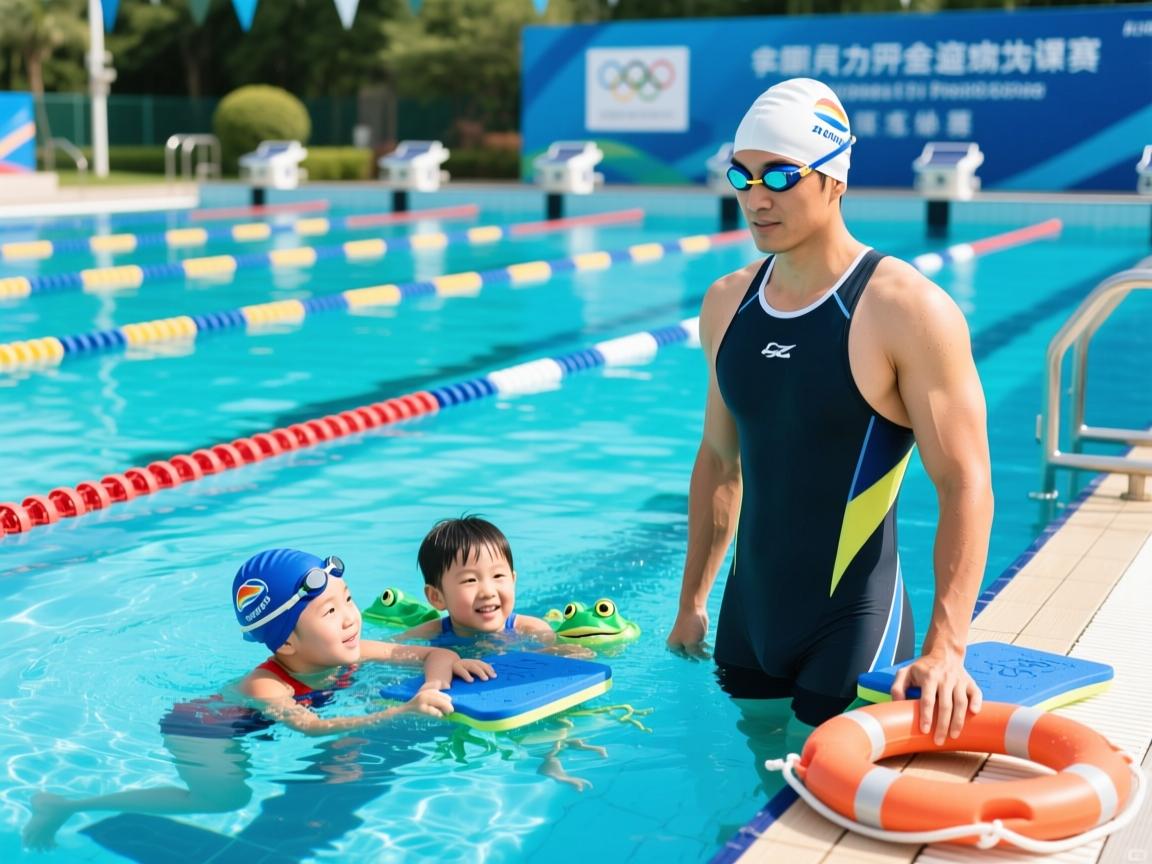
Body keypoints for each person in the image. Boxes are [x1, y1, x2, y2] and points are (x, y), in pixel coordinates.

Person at [666, 78, 993, 746]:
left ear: (835, 179)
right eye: (742, 175)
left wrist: (947, 648)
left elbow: (966, 483)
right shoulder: (727, 303)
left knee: (819, 801)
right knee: (752, 804)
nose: (756, 198)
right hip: (746, 622)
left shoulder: (905, 308)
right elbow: (721, 460)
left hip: (853, 628)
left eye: (782, 176)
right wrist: (691, 603)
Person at [24, 547, 493, 850]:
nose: (351, 617)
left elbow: (426, 653)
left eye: (347, 599)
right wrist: (403, 710)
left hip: (251, 727)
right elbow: (310, 727)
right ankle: (66, 804)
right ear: (287, 642)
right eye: (330, 611)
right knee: (223, 800)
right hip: (203, 730)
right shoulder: (266, 686)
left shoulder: (348, 649)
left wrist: (434, 683)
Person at [394, 516, 558, 645]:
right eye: (470, 580)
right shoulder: (427, 635)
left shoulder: (532, 631)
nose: (488, 592)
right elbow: (389, 650)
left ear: (513, 581)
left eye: (498, 576)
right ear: (436, 597)